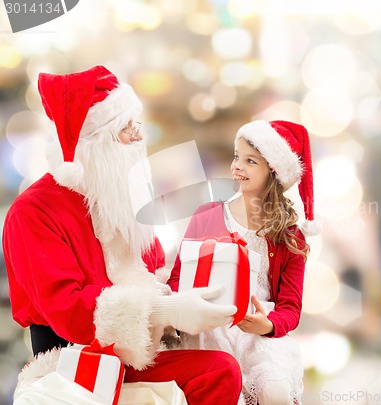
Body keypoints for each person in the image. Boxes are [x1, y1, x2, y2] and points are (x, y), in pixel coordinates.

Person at [2, 65, 242, 404]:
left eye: (136, 124)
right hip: (73, 362)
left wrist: (210, 294)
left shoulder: (121, 198)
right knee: (219, 371)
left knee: (225, 366)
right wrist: (167, 310)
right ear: (92, 143)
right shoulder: (33, 212)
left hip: (139, 353)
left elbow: (157, 272)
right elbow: (68, 310)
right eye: (125, 128)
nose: (139, 137)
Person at [168, 120, 320, 405]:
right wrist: (182, 307)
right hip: (209, 329)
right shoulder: (208, 216)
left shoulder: (290, 237)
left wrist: (267, 325)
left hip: (257, 333)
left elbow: (290, 307)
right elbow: (177, 278)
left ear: (273, 172)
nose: (237, 166)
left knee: (274, 391)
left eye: (250, 161)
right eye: (237, 156)